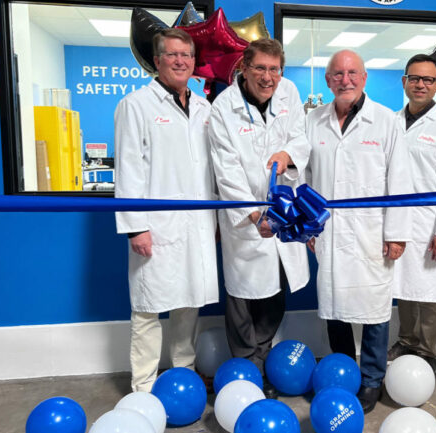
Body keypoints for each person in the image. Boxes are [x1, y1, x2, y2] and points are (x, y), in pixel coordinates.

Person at [305, 50, 411, 414]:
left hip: (371, 233)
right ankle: (342, 372)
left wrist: (396, 233)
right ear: (328, 80)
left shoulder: (385, 121)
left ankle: (370, 379)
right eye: (337, 74)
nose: (345, 79)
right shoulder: (314, 121)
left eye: (352, 73)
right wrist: (308, 228)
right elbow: (305, 178)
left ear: (364, 78)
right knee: (334, 307)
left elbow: (400, 180)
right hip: (329, 234)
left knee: (373, 311)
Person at [114, 28, 218, 392]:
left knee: (188, 301)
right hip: (155, 226)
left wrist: (217, 219)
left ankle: (183, 375)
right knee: (147, 307)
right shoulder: (136, 105)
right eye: (171, 55)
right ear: (156, 61)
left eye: (186, 56)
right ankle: (143, 384)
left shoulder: (206, 108)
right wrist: (135, 227)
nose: (179, 61)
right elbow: (128, 169)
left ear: (193, 62)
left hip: (197, 223)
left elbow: (212, 168)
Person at [208, 38, 310, 399]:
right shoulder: (223, 108)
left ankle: (262, 357)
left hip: (282, 211)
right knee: (243, 298)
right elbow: (226, 169)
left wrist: (289, 153)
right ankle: (246, 367)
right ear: (244, 69)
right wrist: (254, 216)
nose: (268, 77)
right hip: (245, 220)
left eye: (275, 69)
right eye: (260, 69)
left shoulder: (290, 93)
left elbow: (302, 137)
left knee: (275, 291)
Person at [387, 54, 436, 374]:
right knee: (402, 286)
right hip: (397, 220)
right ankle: (406, 340)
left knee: (429, 291)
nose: (420, 85)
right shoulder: (391, 120)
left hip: (431, 222)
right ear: (404, 81)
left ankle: (428, 349)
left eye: (428, 80)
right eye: (414, 78)